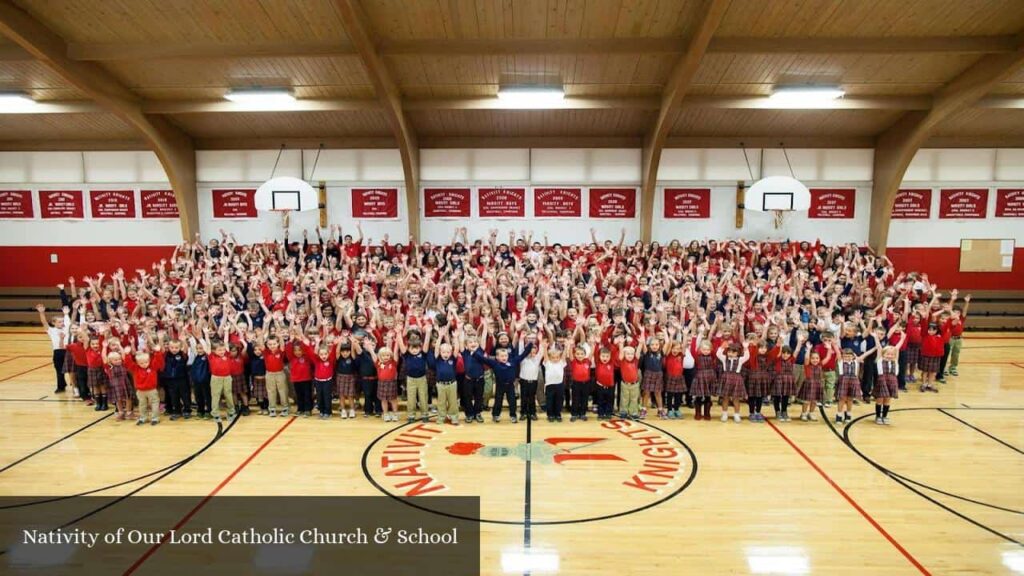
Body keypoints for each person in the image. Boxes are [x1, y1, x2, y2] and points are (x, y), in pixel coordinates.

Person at [36, 303, 70, 394]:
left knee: (71, 370)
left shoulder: (66, 329)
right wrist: (41, 313)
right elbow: (44, 322)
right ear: (53, 323)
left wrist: (66, 314)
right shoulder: (52, 330)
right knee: (59, 370)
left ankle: (76, 387)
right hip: (57, 352)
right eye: (59, 322)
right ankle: (61, 386)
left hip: (67, 351)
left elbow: (69, 321)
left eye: (62, 321)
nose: (61, 323)